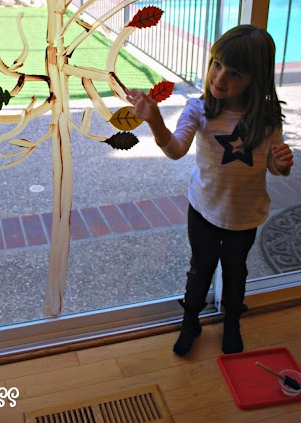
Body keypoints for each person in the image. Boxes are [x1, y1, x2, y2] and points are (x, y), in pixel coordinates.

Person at [126, 25, 293, 356]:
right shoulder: (199, 109)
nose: (219, 77)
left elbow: (273, 167)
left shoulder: (267, 118)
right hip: (203, 209)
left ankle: (232, 322)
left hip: (245, 215)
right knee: (200, 269)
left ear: (255, 79)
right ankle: (190, 321)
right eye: (216, 64)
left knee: (236, 270)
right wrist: (155, 122)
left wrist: (282, 163)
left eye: (235, 73)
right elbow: (175, 150)